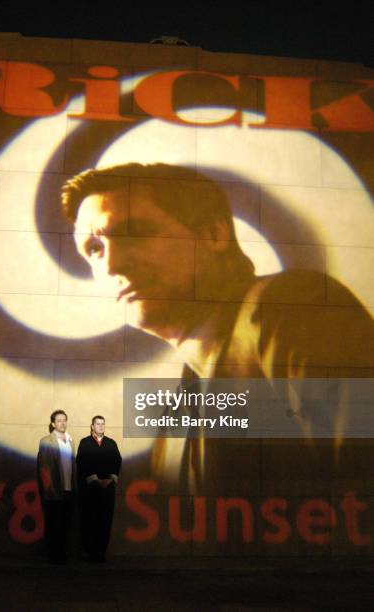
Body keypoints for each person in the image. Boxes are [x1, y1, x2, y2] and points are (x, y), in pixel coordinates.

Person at [62, 163, 374, 493]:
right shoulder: (176, 418)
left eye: (134, 232)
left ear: (214, 234)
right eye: (94, 250)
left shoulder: (293, 305)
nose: (110, 265)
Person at [76, 416, 121, 562]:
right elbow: (81, 462)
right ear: (92, 426)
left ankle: (101, 553)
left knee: (105, 520)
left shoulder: (111, 443)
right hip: (90, 489)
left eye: (103, 424)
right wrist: (95, 479)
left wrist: (111, 478)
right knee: (90, 519)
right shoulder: (85, 443)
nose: (101, 427)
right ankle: (90, 552)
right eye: (98, 424)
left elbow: (117, 461)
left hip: (108, 488)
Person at [37, 410, 75, 564]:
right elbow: (44, 468)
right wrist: (50, 489)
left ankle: (61, 554)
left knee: (65, 525)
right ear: (53, 424)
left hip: (69, 490)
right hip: (54, 491)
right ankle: (53, 556)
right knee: (54, 525)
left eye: (64, 420)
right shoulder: (46, 441)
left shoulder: (71, 441)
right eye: (59, 420)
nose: (62, 423)